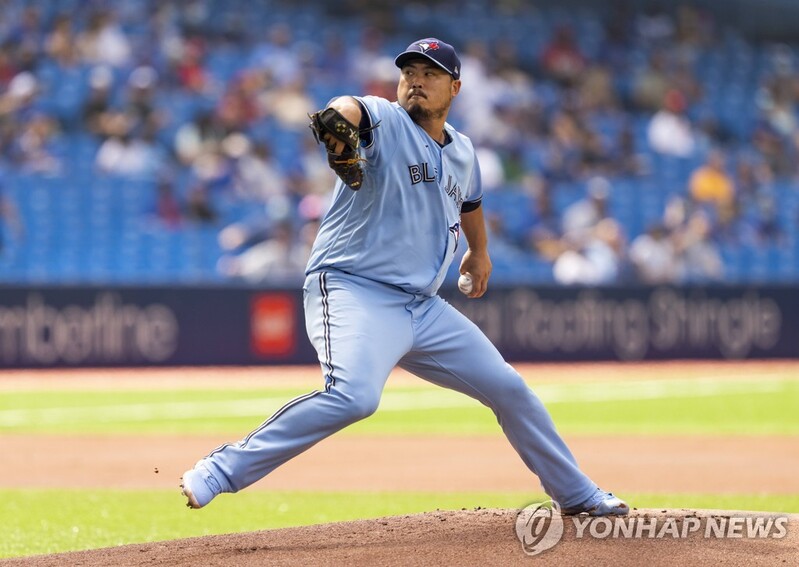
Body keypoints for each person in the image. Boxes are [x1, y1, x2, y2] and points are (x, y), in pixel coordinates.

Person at [181, 38, 628, 517]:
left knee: (509, 389)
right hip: (356, 288)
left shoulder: (463, 150)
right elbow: (345, 108)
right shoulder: (387, 120)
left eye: (430, 73)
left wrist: (479, 252)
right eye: (409, 72)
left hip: (423, 306)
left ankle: (577, 494)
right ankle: (221, 469)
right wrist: (339, 125)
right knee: (354, 398)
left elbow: (471, 202)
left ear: (454, 87)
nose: (416, 80)